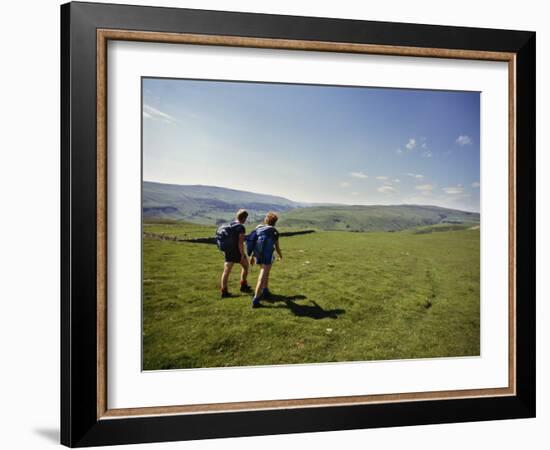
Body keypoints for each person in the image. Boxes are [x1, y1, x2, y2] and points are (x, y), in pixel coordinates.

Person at [250, 212, 283, 308]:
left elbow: (253, 243)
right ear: (275, 222)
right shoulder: (274, 232)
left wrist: (252, 256)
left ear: (266, 220)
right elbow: (277, 247)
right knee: (262, 275)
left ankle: (265, 290)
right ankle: (256, 299)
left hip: (258, 254)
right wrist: (280, 255)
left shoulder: (259, 228)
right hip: (267, 255)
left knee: (266, 272)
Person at [219, 209, 252, 298]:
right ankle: (243, 285)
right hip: (236, 251)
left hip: (228, 251)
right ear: (244, 218)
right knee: (246, 266)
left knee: (226, 271)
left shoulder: (230, 225)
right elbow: (240, 243)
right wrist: (242, 254)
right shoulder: (240, 227)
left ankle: (224, 291)